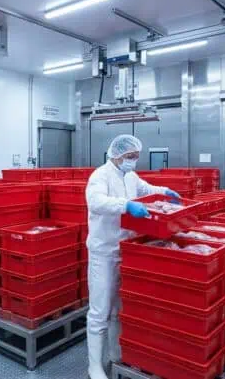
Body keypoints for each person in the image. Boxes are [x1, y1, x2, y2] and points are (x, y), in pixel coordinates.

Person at [85, 135, 181, 379]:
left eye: (136, 156)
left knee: (120, 307)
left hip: (126, 249)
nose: (133, 161)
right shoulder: (100, 176)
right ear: (116, 154)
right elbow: (95, 202)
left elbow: (146, 189)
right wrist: (126, 205)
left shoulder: (130, 175)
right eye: (130, 156)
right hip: (103, 251)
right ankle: (94, 366)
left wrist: (165, 191)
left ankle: (116, 355)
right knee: (100, 310)